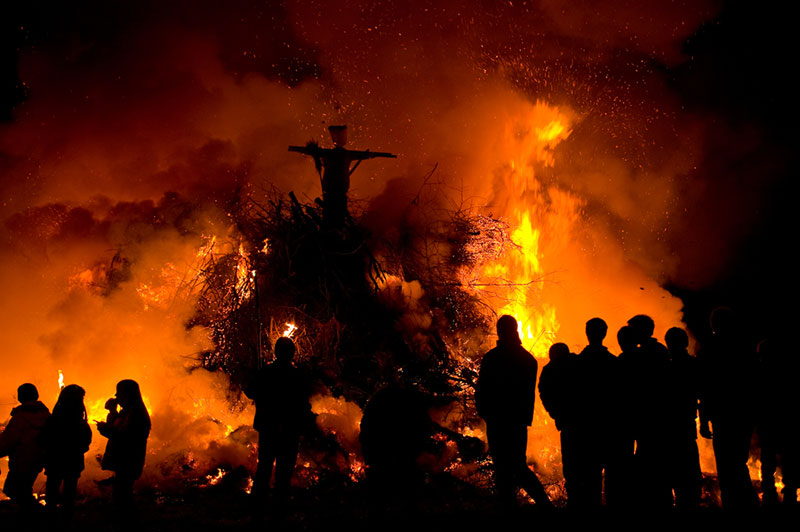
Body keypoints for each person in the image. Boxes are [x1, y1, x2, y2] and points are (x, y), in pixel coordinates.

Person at [475, 315, 552, 508]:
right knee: (516, 466)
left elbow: (482, 390)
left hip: (498, 422)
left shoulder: (492, 358)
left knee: (505, 468)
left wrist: (486, 413)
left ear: (501, 331)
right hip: (516, 422)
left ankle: (517, 507)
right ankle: (538, 505)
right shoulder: (527, 359)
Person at [697, 307, 758, 510]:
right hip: (742, 414)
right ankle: (746, 503)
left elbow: (705, 386)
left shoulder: (709, 348)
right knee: (738, 461)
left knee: (726, 463)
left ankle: (735, 504)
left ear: (714, 324)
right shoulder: (742, 347)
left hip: (722, 415)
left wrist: (704, 419)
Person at [245, 337, 313, 506]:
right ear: (292, 354)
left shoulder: (266, 372)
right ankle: (279, 505)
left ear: (276, 353)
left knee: (265, 466)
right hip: (290, 430)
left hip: (269, 427)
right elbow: (304, 402)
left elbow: (249, 392)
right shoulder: (298, 376)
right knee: (285, 470)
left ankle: (258, 505)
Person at [571, 318, 624, 508]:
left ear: (587, 333)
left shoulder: (577, 364)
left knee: (589, 478)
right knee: (613, 479)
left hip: (585, 430)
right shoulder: (615, 364)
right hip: (610, 429)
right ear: (605, 333)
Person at [97, 379, 151, 520]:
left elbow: (126, 437)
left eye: (119, 393)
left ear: (127, 395)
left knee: (123, 496)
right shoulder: (128, 411)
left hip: (129, 460)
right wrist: (112, 412)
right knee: (121, 494)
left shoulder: (136, 413)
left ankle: (131, 524)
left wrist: (106, 428)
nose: (116, 396)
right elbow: (116, 429)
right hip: (124, 460)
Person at [40, 384, 92, 523]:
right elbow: (85, 442)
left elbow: (45, 439)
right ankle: (66, 520)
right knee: (69, 492)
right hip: (72, 461)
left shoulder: (54, 420)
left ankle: (51, 518)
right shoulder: (79, 422)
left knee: (52, 490)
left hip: (55, 460)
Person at [664, 327, 702, 510]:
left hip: (668, 430)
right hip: (685, 429)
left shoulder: (663, 367)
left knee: (667, 479)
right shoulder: (692, 365)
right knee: (688, 482)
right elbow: (704, 396)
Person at [538, 342, 578, 505]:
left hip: (570, 423)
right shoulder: (578, 364)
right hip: (579, 423)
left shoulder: (550, 370)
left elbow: (544, 393)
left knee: (572, 464)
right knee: (581, 465)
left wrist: (555, 414)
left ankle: (575, 501)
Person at [0, 383, 50, 509]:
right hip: (38, 460)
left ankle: (34, 514)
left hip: (21, 460)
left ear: (20, 397)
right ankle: (32, 515)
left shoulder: (20, 416)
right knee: (24, 489)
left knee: (13, 489)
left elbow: (9, 439)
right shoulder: (46, 414)